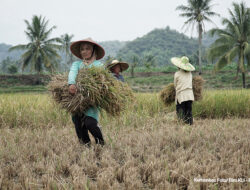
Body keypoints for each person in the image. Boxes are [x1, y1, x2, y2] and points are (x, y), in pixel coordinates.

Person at [68, 38, 105, 145]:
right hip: (77, 99)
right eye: (82, 49)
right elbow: (72, 72)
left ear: (93, 50)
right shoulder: (77, 64)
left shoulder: (99, 65)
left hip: (91, 100)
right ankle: (85, 145)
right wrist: (71, 83)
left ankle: (100, 143)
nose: (84, 51)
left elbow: (101, 80)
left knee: (90, 122)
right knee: (77, 121)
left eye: (87, 49)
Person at [171, 56, 195, 125]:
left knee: (181, 111)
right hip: (190, 95)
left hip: (181, 95)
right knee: (189, 112)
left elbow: (175, 85)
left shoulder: (177, 74)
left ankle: (181, 125)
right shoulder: (190, 73)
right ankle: (190, 124)